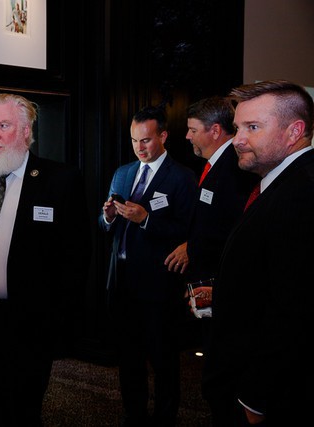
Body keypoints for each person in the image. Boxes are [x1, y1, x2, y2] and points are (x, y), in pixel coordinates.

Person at [0, 93, 92, 426]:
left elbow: (76, 258)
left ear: (26, 131)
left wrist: (58, 325)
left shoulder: (60, 181)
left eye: (3, 126)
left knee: (15, 413)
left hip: (24, 326)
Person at [202, 80, 314, 426]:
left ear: (294, 132)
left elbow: (296, 310)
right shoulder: (282, 182)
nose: (237, 140)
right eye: (238, 128)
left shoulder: (302, 193)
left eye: (252, 127)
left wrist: (256, 398)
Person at [100, 105, 196, 427]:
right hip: (123, 281)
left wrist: (146, 220)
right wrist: (108, 217)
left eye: (145, 140)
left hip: (158, 285)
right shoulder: (123, 173)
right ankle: (134, 415)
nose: (139, 147)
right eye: (133, 140)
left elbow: (188, 231)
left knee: (163, 359)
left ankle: (165, 418)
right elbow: (104, 225)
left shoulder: (182, 177)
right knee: (129, 358)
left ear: (163, 136)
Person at [164, 97, 259, 339]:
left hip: (219, 284)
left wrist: (206, 284)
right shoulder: (215, 165)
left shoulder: (235, 167)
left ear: (215, 131)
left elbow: (233, 231)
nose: (187, 136)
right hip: (205, 280)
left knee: (219, 342)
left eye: (193, 130)